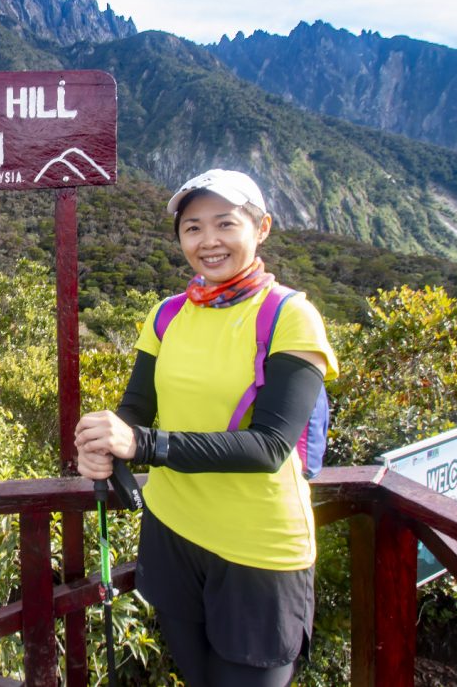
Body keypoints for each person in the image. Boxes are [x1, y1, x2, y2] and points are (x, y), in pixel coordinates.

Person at [74, 168, 338, 687]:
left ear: (260, 228)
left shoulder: (290, 317)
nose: (209, 241)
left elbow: (269, 446)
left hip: (258, 550)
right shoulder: (167, 315)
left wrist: (141, 445)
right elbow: (137, 407)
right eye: (193, 228)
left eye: (225, 224)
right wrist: (103, 443)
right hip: (172, 531)